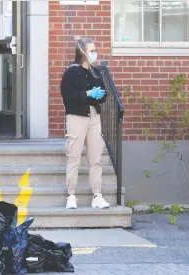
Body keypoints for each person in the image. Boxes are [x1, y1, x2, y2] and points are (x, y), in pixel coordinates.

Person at [60, 36, 110, 209]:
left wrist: (99, 95)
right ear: (82, 52)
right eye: (92, 51)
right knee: (73, 156)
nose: (95, 53)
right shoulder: (71, 73)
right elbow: (68, 95)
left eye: (95, 50)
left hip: (94, 117)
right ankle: (71, 195)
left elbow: (103, 94)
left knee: (95, 158)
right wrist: (87, 94)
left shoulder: (96, 73)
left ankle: (97, 194)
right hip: (76, 117)